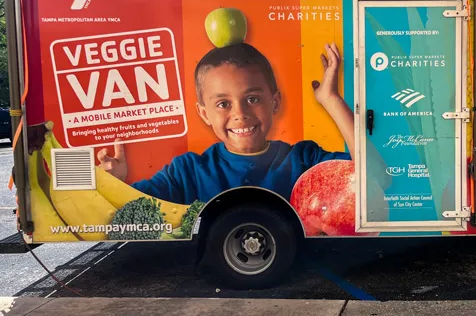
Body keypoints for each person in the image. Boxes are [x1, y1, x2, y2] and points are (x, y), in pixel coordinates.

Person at [97, 42, 354, 205]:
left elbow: (371, 177)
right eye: (223, 104)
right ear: (204, 113)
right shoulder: (187, 171)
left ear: (274, 102)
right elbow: (129, 210)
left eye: (252, 98)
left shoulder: (304, 159)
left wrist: (330, 100)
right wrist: (114, 184)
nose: (240, 113)